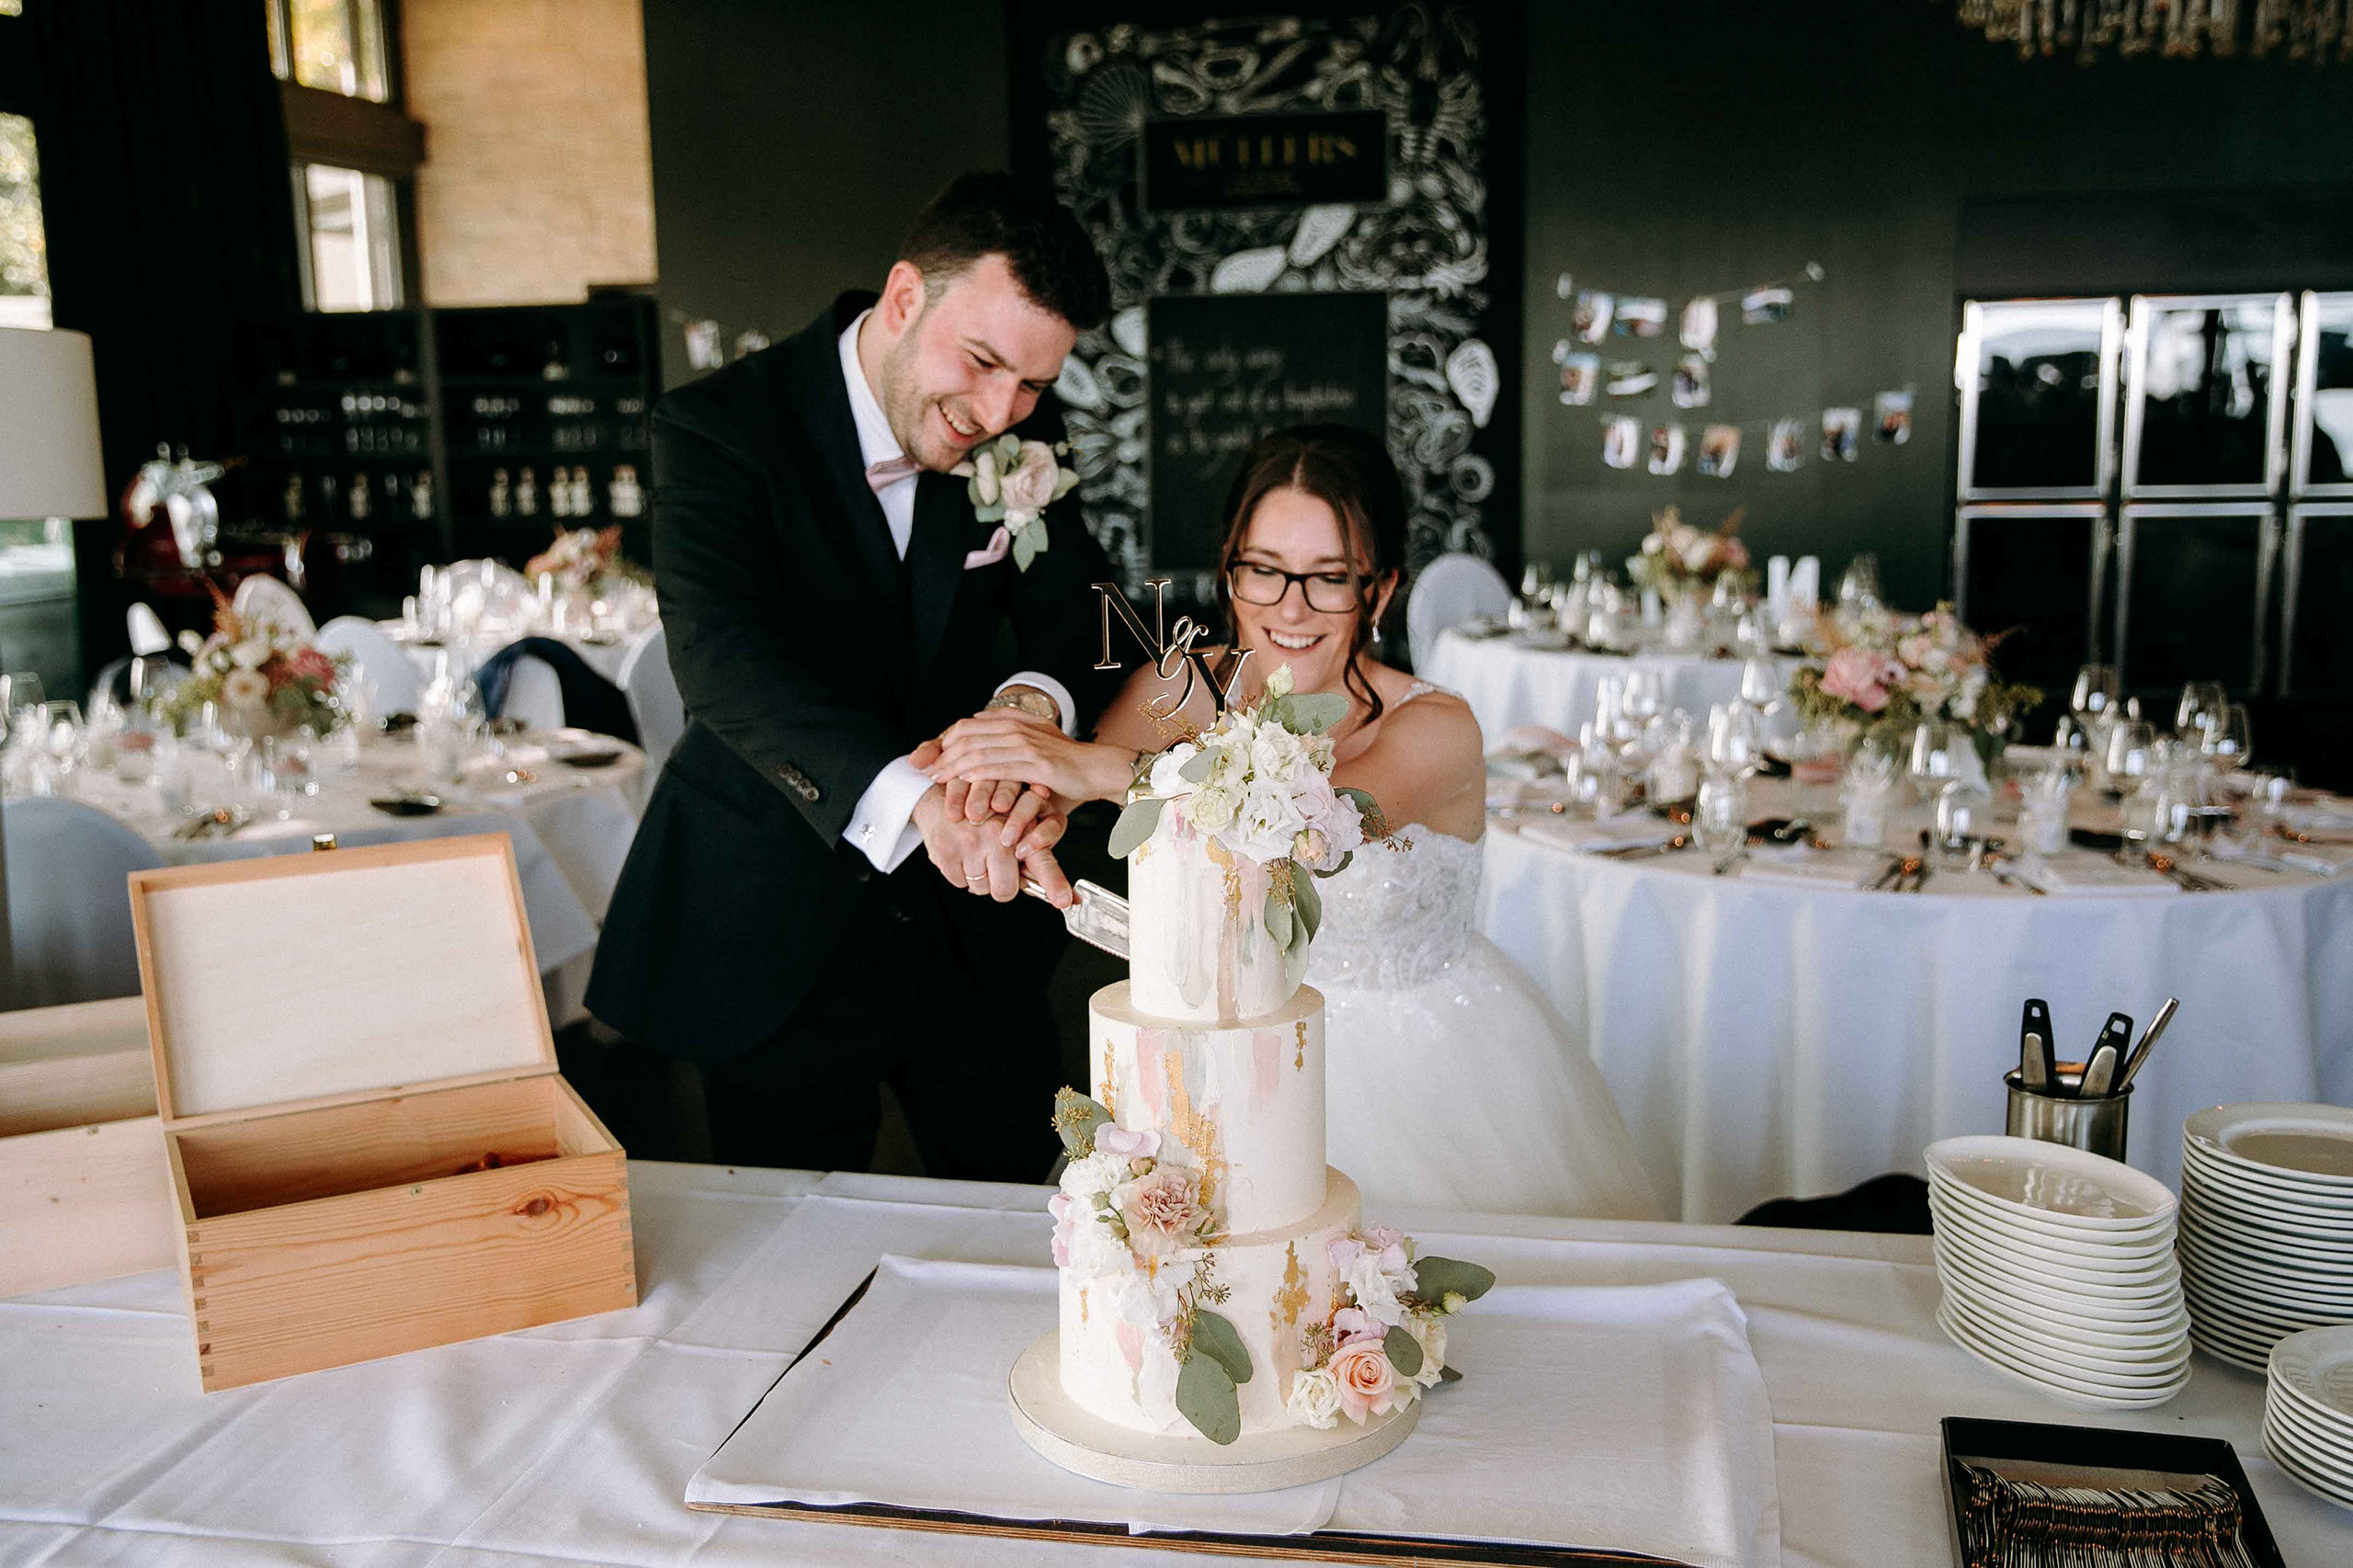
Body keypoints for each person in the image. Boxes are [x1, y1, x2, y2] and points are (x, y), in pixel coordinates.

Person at [927, 425, 1660, 1219]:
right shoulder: (1182, 688)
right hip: (1231, 1065)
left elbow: (1309, 829)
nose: (1291, 608)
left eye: (1329, 578)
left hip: (1433, 1079)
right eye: (1264, 571)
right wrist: (1004, 804)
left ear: (1379, 589)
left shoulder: (1437, 729)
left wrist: (1088, 765)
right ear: (1229, 569)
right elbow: (1059, 791)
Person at [586, 172, 1113, 1180]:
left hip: (976, 929)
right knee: (785, 1249)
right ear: (906, 296)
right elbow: (724, 665)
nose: (1002, 411)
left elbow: (1084, 615)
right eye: (985, 362)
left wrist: (1027, 711)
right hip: (774, 921)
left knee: (1020, 1224)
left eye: (1035, 384)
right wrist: (923, 804)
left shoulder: (1020, 438)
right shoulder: (716, 429)